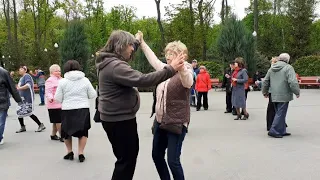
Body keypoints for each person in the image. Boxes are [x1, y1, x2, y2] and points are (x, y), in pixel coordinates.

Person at [95, 30, 185, 180]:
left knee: (125, 159)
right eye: (130, 46)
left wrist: (137, 42)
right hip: (120, 121)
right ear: (121, 46)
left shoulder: (108, 61)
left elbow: (130, 49)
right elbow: (143, 80)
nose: (132, 49)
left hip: (114, 118)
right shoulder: (116, 66)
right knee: (126, 161)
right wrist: (171, 69)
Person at [138, 31, 193, 180]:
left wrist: (181, 69)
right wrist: (142, 43)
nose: (168, 56)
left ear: (182, 56)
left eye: (172, 54)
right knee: (156, 155)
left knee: (173, 161)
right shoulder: (166, 70)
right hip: (160, 122)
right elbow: (154, 60)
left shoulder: (186, 71)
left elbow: (188, 82)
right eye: (167, 53)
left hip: (176, 123)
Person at [54, 60, 96, 162]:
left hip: (67, 109)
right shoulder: (85, 80)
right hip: (83, 108)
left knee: (66, 132)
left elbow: (58, 98)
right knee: (83, 132)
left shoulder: (62, 82)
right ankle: (81, 153)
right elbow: (93, 95)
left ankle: (69, 152)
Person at [262, 53, 300, 138]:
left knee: (279, 112)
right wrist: (297, 92)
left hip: (274, 94)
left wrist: (265, 91)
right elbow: (293, 82)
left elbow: (266, 81)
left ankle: (282, 130)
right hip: (284, 94)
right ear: (287, 60)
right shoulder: (288, 68)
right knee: (280, 113)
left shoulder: (272, 68)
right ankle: (274, 130)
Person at [16, 65, 46, 133]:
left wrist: (20, 88)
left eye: (20, 69)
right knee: (19, 112)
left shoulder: (27, 76)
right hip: (22, 98)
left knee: (29, 112)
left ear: (25, 70)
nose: (19, 70)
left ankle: (40, 125)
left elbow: (28, 85)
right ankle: (22, 127)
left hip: (27, 98)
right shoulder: (21, 78)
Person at [0, 67, 22, 145]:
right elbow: (11, 87)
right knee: (1, 121)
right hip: (2, 100)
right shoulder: (3, 72)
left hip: (2, 100)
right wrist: (18, 100)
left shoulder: (3, 72)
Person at [45, 64, 63, 142]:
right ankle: (62, 136)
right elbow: (48, 91)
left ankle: (53, 135)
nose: (58, 72)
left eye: (59, 71)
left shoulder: (61, 79)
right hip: (53, 104)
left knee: (56, 121)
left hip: (60, 103)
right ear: (51, 72)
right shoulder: (50, 80)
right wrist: (50, 98)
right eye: (56, 71)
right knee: (59, 121)